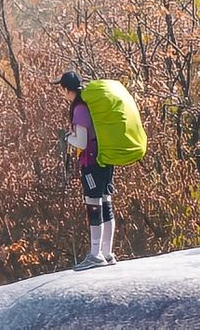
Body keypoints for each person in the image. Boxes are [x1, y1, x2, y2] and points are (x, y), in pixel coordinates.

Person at [56, 71, 116, 271]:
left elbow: (81, 141)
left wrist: (68, 138)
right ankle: (107, 253)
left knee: (93, 204)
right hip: (106, 159)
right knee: (106, 202)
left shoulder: (80, 109)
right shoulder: (92, 105)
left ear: (67, 89)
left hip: (91, 163)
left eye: (62, 89)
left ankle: (95, 254)